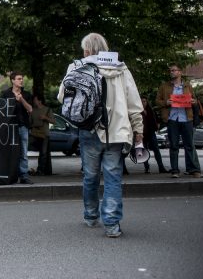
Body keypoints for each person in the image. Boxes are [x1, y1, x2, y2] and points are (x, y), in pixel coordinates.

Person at [58, 33, 143, 238]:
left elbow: (62, 96)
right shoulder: (121, 69)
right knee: (113, 177)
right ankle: (112, 224)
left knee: (90, 176)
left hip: (89, 129)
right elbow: (134, 103)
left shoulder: (76, 67)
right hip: (116, 131)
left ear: (86, 49)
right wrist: (138, 129)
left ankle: (90, 215)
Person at [156, 63, 203, 179]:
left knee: (190, 145)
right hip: (172, 119)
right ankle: (175, 170)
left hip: (187, 118)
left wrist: (193, 101)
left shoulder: (187, 86)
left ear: (180, 72)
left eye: (174, 70)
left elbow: (195, 100)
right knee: (174, 146)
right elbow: (157, 101)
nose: (171, 72)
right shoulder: (164, 86)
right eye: (170, 71)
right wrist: (166, 103)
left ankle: (194, 170)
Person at [2, 71, 34, 184]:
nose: (21, 80)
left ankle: (24, 175)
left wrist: (21, 100)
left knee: (23, 152)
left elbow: (30, 109)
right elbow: (2, 110)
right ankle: (10, 175)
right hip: (10, 127)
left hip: (23, 126)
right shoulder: (6, 94)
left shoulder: (26, 94)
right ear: (13, 81)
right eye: (19, 79)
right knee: (10, 151)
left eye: (22, 78)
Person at [141, 96, 168, 174]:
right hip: (141, 133)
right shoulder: (137, 111)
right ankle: (147, 167)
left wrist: (156, 127)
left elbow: (156, 120)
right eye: (142, 101)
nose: (143, 103)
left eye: (144, 101)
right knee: (143, 151)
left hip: (151, 132)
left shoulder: (150, 110)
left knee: (156, 149)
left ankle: (161, 167)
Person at [30, 94, 55, 175]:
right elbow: (29, 122)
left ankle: (41, 170)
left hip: (44, 134)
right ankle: (40, 170)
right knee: (39, 152)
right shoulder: (32, 110)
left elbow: (53, 121)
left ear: (40, 101)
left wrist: (45, 118)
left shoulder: (47, 110)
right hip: (34, 134)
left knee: (43, 153)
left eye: (35, 100)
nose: (34, 101)